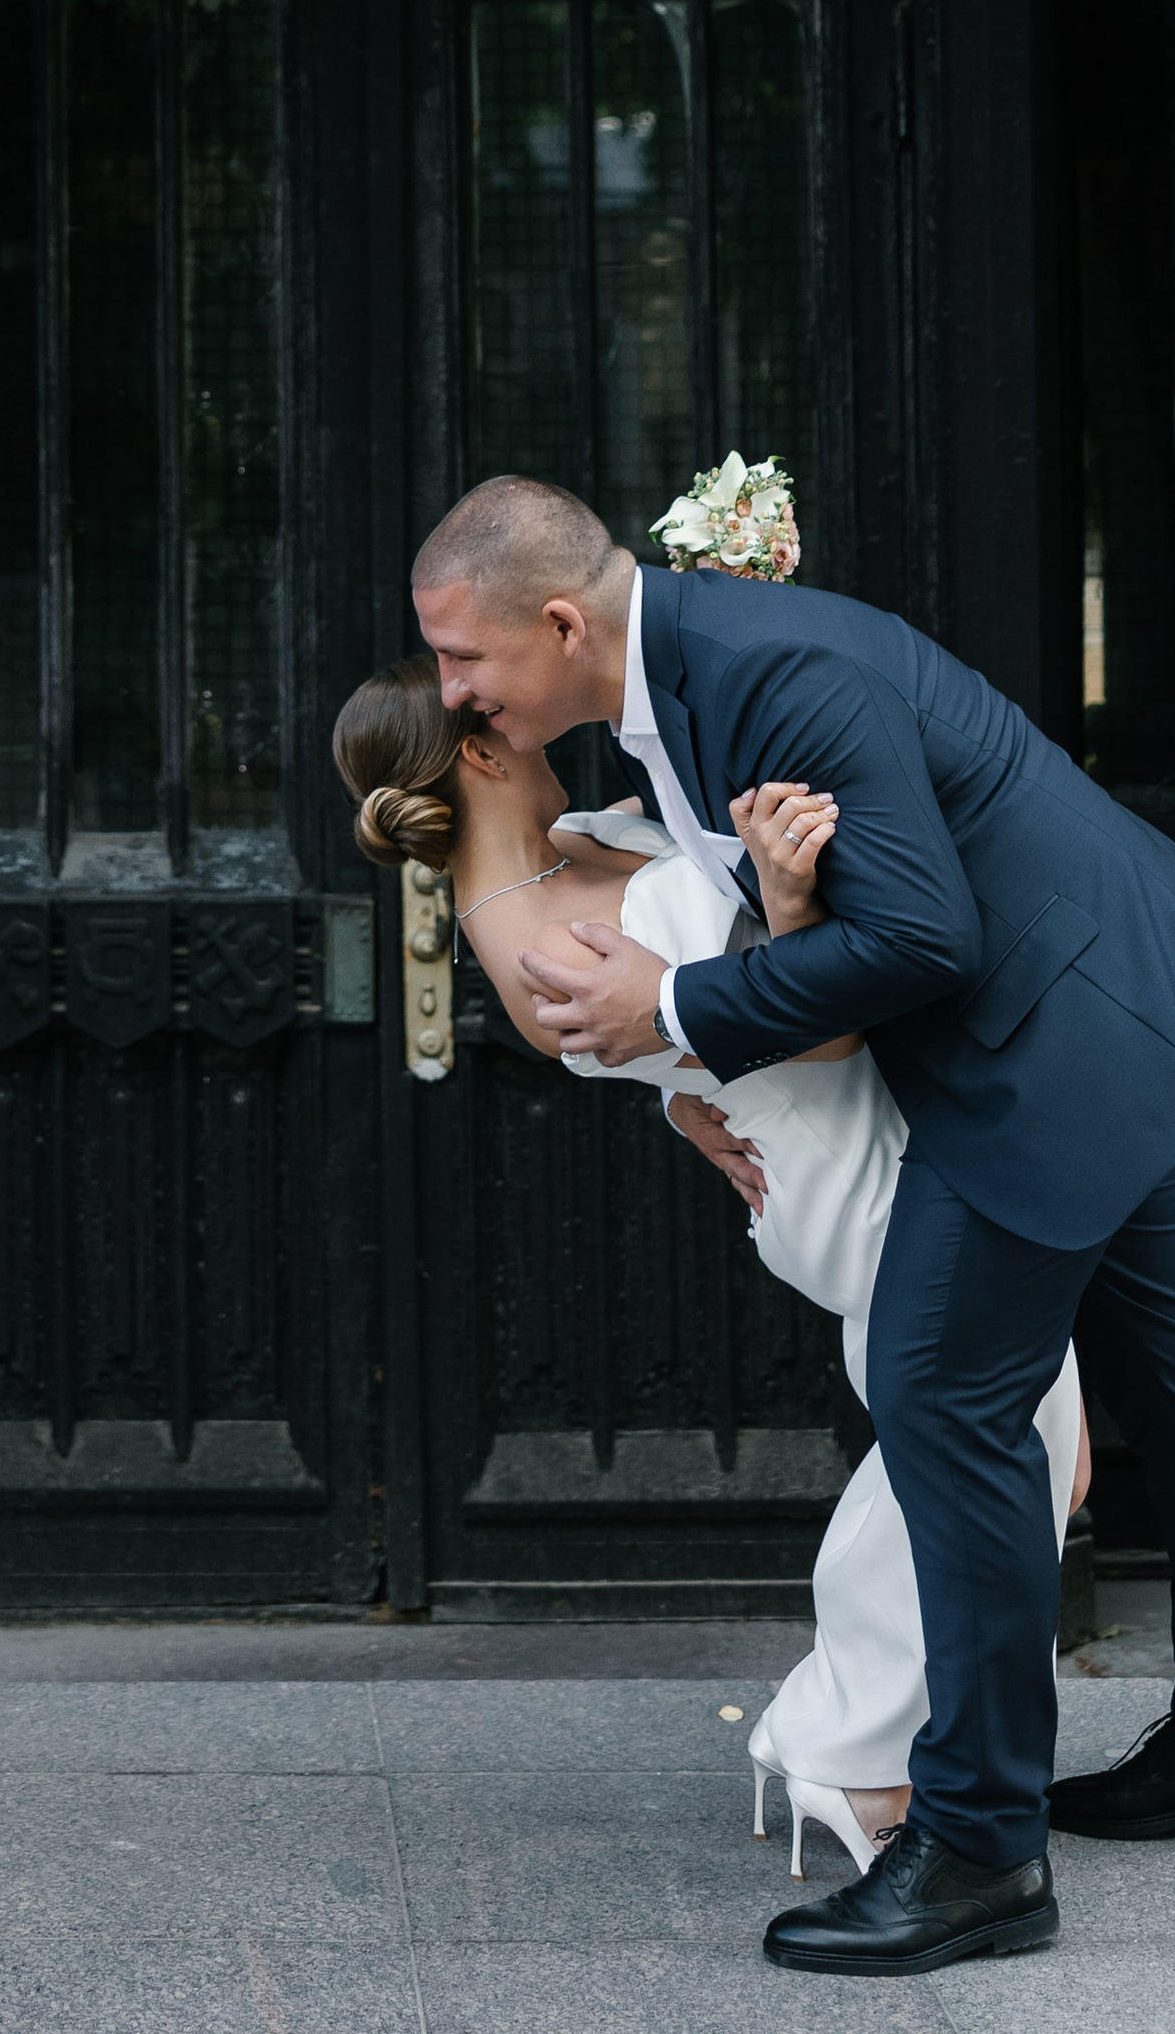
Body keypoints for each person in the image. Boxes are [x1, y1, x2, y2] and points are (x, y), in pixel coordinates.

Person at [411, 474, 1175, 1982]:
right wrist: (698, 1085)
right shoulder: (686, 675)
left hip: (1050, 1042)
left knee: (946, 1398)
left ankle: (976, 1848)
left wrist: (680, 1010)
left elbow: (919, 936)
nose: (454, 694)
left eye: (465, 662)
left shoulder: (770, 677)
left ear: (561, 622)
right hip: (1117, 994)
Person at [332, 654, 1086, 1878]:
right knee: (998, 1452)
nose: (525, 706)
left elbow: (670, 1026)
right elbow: (813, 1026)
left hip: (871, 1128)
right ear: (478, 750)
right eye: (495, 701)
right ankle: (853, 1750)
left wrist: (681, 1091)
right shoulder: (524, 932)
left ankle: (840, 1735)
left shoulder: (575, 839)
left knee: (995, 1452)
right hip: (836, 1163)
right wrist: (788, 907)